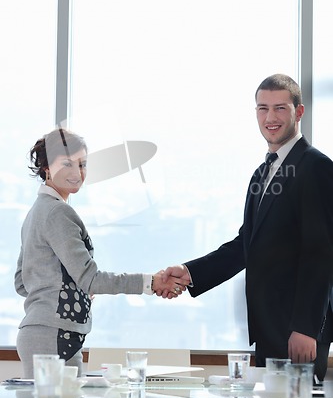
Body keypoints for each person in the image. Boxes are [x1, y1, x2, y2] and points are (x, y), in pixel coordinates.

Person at [162, 74, 333, 380]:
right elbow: (247, 244)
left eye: (280, 108)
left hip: (298, 331)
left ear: (299, 112)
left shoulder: (316, 167)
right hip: (268, 326)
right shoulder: (262, 173)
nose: (270, 118)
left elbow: (320, 252)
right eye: (262, 108)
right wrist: (191, 273)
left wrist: (306, 328)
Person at [15, 128, 187, 378]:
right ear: (46, 168)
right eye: (67, 164)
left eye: (82, 164)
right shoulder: (57, 213)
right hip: (54, 334)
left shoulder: (36, 212)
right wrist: (150, 282)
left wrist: (72, 289)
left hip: (45, 333)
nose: (77, 173)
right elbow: (91, 279)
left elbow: (22, 282)